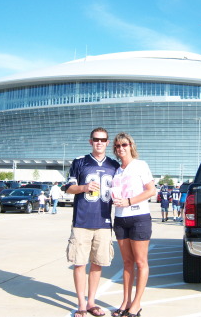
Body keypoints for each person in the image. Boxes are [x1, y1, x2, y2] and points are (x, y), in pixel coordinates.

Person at [64, 127, 120, 317]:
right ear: (90, 141)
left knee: (98, 263)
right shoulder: (80, 162)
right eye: (96, 139)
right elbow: (69, 188)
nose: (99, 143)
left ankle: (91, 302)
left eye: (103, 140)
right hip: (82, 220)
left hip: (104, 221)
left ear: (107, 142)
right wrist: (84, 187)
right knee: (79, 263)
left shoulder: (114, 165)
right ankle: (81, 304)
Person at [110, 132, 156, 317]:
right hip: (120, 219)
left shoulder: (140, 165)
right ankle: (125, 302)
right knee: (127, 263)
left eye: (124, 145)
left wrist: (129, 201)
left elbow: (151, 191)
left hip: (139, 218)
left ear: (131, 146)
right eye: (117, 146)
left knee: (140, 261)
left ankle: (136, 304)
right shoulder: (116, 169)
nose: (121, 148)